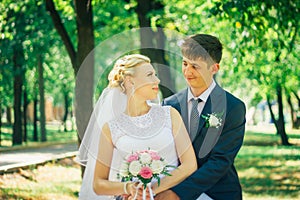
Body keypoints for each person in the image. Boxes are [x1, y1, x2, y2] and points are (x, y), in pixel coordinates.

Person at [76, 54, 197, 200]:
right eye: (149, 75)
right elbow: (98, 184)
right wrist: (128, 188)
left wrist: (151, 190)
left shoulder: (170, 114)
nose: (157, 80)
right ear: (130, 81)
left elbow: (190, 164)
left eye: (155, 74)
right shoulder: (111, 128)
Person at [157, 34, 246, 200]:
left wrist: (178, 193)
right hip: (170, 189)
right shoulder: (168, 105)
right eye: (184, 64)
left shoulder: (234, 107)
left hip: (218, 193)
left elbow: (220, 161)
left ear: (214, 68)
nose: (187, 71)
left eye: (195, 66)